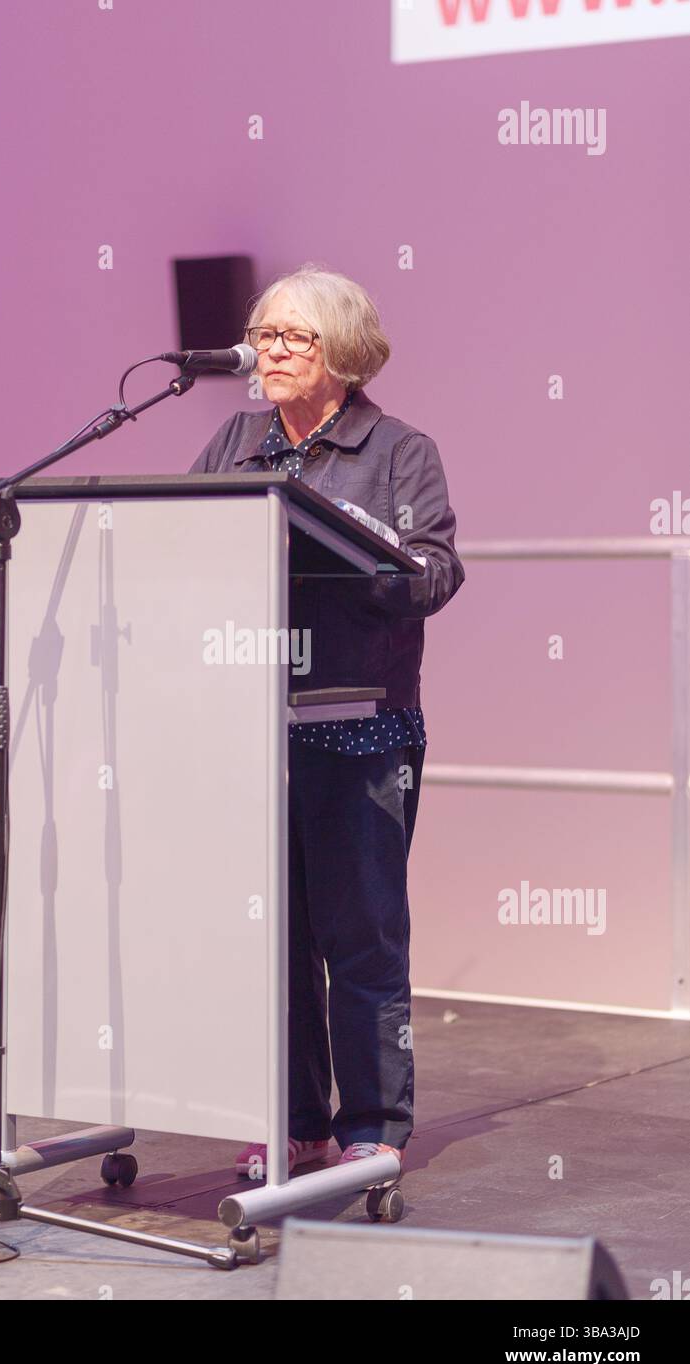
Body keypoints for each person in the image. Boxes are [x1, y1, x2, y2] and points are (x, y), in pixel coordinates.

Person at [190, 264, 465, 1179]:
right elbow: (182, 541)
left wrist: (364, 552)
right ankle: (296, 1118)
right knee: (273, 939)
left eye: (291, 337)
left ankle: (373, 1129)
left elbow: (434, 573)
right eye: (263, 334)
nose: (267, 351)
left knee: (360, 934)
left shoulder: (398, 451)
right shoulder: (234, 441)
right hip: (252, 727)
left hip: (358, 725)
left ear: (341, 353)